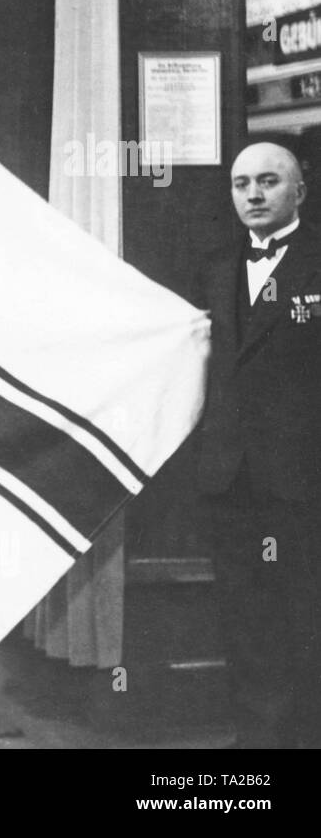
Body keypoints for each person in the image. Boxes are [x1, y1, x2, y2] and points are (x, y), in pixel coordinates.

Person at [194, 141, 321, 748]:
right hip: (231, 478)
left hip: (304, 482)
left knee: (306, 614)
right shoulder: (217, 269)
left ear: (299, 191)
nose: (253, 195)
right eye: (242, 184)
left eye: (268, 182)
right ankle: (261, 745)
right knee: (245, 618)